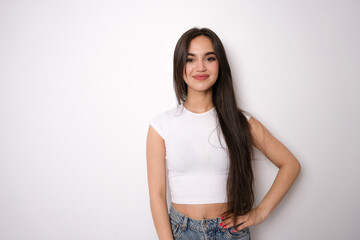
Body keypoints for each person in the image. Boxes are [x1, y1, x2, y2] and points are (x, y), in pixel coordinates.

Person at [146, 27, 301, 240]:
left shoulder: (240, 122)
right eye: (190, 59)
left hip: (229, 232)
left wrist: (260, 212)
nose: (200, 67)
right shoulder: (161, 125)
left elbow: (290, 165)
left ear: (220, 64)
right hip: (182, 231)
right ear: (179, 66)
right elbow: (157, 195)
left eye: (209, 58)